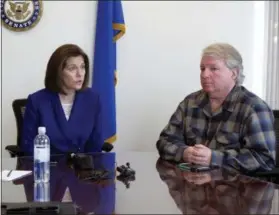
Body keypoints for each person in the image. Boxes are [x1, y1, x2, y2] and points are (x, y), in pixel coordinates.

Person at [156, 43, 276, 173]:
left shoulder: (254, 108)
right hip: (192, 188)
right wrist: (184, 153)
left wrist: (213, 158)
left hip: (234, 189)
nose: (205, 74)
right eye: (202, 68)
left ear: (234, 73)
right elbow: (164, 141)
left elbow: (265, 160)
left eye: (213, 69)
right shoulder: (190, 102)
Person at [21, 44, 103, 156]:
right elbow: (28, 147)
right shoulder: (37, 101)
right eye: (72, 68)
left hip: (82, 168)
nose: (80, 74)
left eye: (82, 67)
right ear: (58, 72)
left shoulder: (92, 99)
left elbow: (96, 144)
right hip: (48, 167)